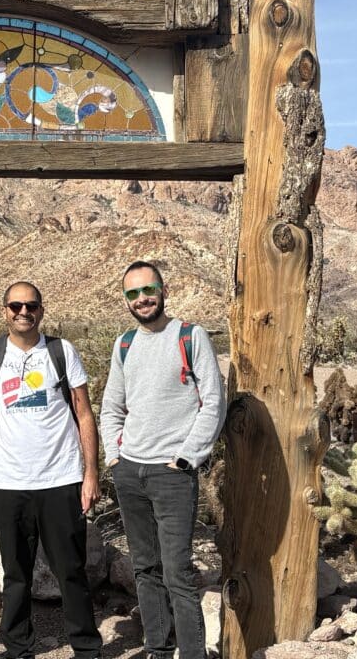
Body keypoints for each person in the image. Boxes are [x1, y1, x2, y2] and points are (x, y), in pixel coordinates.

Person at [0, 281, 103, 659]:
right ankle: (19, 648)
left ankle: (87, 648)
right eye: (15, 306)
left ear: (41, 310)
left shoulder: (61, 351)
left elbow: (84, 413)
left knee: (71, 572)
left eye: (31, 306)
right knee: (15, 576)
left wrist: (91, 473)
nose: (23, 312)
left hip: (61, 478)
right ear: (4, 310)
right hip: (9, 481)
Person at [99, 261, 226, 659]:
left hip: (172, 474)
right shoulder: (125, 343)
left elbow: (214, 402)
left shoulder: (190, 335)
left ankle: (191, 654)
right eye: (133, 294)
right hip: (130, 471)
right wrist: (113, 458)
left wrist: (189, 458)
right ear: (126, 300)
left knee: (178, 573)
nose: (142, 299)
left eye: (148, 290)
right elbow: (111, 407)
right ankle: (157, 647)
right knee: (145, 569)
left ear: (163, 289)